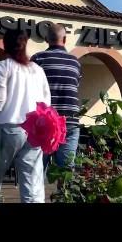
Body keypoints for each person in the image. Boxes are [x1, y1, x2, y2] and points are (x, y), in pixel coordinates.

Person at [0, 28, 51, 203]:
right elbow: (46, 103)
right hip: (34, 131)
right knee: (32, 184)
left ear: (5, 44)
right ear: (25, 44)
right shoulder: (37, 70)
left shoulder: (3, 66)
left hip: (7, 130)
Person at [31, 23, 82, 170]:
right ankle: (64, 193)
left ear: (46, 39)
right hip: (70, 120)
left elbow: (31, 88)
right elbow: (76, 84)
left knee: (37, 169)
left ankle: (38, 193)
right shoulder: (75, 62)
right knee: (66, 169)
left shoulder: (37, 59)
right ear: (64, 39)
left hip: (44, 122)